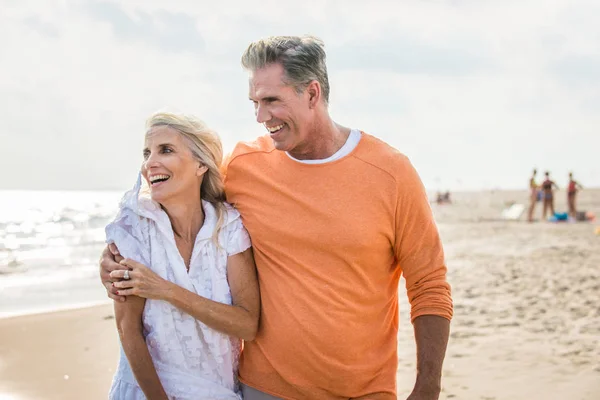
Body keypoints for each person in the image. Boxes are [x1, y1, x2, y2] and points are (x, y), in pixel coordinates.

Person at [101, 35, 452, 400]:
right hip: (264, 388)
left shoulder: (391, 173)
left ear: (312, 94)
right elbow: (175, 193)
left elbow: (429, 284)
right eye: (255, 102)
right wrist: (113, 255)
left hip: (364, 391)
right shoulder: (242, 166)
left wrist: (427, 387)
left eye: (272, 101)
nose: (260, 116)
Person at [105, 112, 260, 399]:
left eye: (166, 150)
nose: (150, 163)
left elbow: (247, 325)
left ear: (201, 164)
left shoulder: (228, 227)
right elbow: (129, 331)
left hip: (217, 389)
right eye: (147, 153)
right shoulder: (134, 228)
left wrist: (165, 290)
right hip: (146, 390)